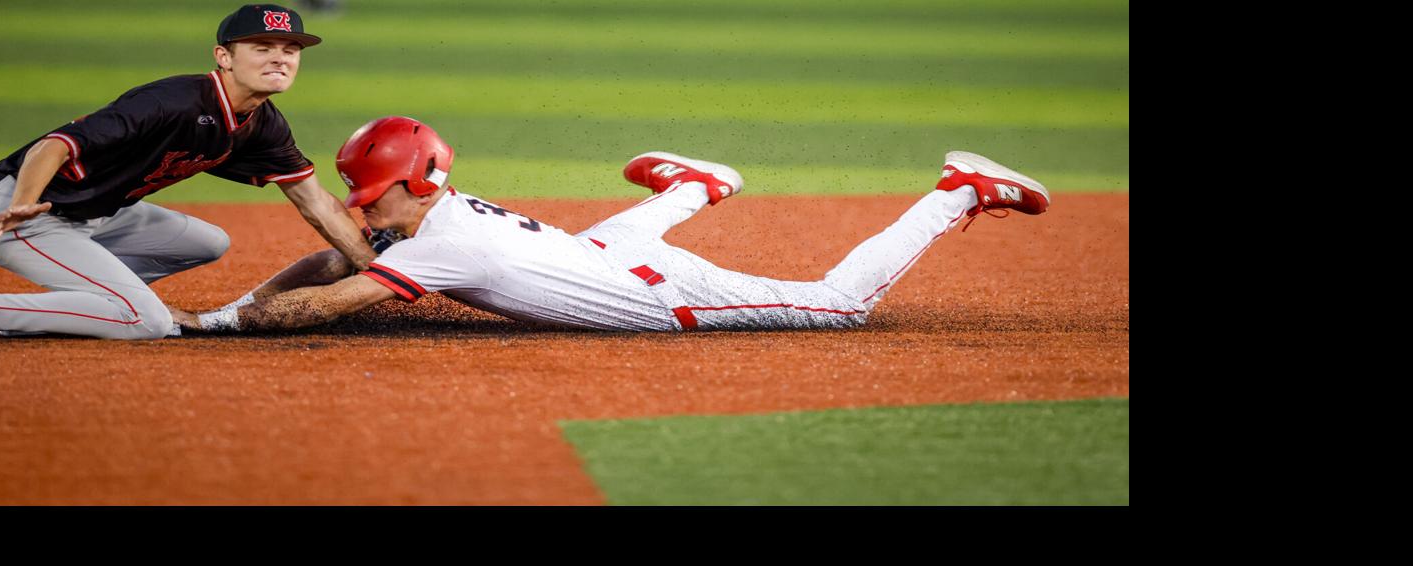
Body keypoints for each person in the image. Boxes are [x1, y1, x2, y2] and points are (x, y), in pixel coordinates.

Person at [162, 116, 1049, 335]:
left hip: (660, 295)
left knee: (839, 304)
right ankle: (695, 185)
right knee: (616, 238)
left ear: (416, 187)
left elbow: (323, 300)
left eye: (372, 197)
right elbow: (327, 262)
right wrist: (230, 311)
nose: (365, 209)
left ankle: (957, 191)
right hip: (592, 254)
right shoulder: (433, 210)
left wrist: (228, 325)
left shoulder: (444, 242)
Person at [0, 4, 376, 344]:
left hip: (97, 215)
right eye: (263, 48)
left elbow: (315, 202)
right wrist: (23, 203)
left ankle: (76, 308)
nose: (280, 59)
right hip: (23, 211)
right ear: (224, 56)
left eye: (290, 50)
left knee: (207, 242)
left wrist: (373, 268)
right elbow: (53, 146)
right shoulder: (172, 102)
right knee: (145, 321)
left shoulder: (264, 124)